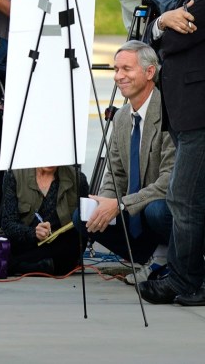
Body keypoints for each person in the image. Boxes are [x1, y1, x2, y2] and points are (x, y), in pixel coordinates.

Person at [140, 0, 205, 306]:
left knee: (183, 200)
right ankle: (185, 277)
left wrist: (166, 23)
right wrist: (165, 17)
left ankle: (184, 279)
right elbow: (159, 33)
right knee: (188, 200)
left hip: (198, 114)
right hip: (186, 113)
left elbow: (181, 37)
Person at [74, 41, 173, 283]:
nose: (119, 76)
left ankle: (175, 257)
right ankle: (152, 259)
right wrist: (105, 204)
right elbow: (115, 173)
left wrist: (119, 205)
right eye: (116, 69)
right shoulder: (120, 117)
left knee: (157, 211)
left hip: (165, 207)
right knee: (84, 216)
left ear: (150, 73)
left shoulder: (170, 111)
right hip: (134, 208)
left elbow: (169, 180)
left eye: (126, 69)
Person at [1, 166, 88, 276]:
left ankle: (18, 265)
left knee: (76, 235)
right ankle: (42, 266)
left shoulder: (77, 178)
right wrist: (33, 233)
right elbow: (8, 223)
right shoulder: (15, 175)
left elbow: (84, 222)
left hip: (60, 245)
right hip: (27, 243)